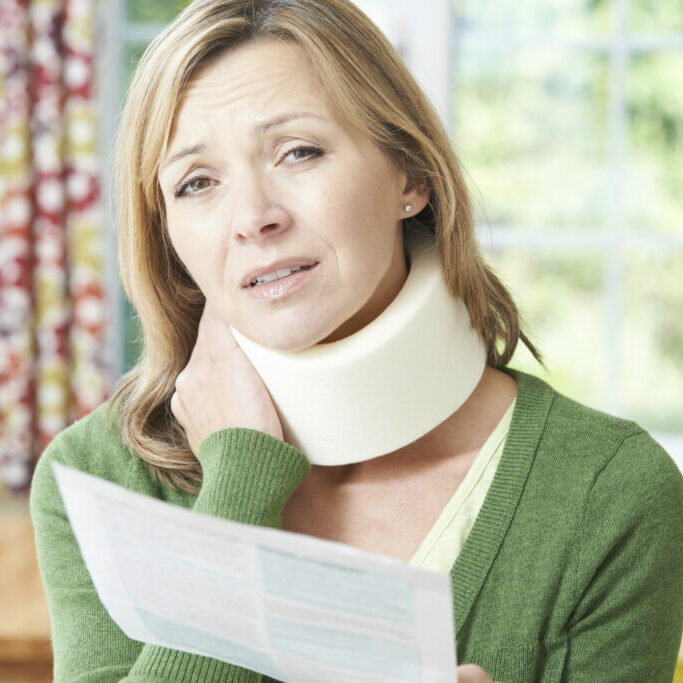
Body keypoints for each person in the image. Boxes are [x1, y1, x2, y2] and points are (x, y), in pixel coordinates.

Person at [30, 0, 683, 681]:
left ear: (410, 175)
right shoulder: (97, 478)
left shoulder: (611, 492)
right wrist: (241, 480)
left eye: (298, 152)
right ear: (167, 235)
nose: (254, 218)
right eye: (197, 183)